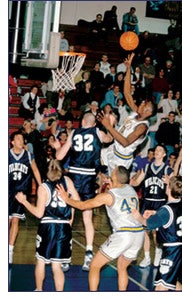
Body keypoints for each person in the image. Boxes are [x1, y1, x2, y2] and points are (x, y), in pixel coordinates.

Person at [56, 165, 144, 291]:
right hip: (138, 234)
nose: (110, 174)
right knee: (122, 267)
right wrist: (112, 184)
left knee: (95, 266)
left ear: (115, 177)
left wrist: (66, 198)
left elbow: (82, 205)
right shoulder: (131, 189)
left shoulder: (108, 196)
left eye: (112, 173)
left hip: (124, 234)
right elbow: (121, 187)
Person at [53, 112, 113, 271]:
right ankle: (88, 255)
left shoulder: (73, 133)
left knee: (69, 218)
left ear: (81, 122)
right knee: (87, 218)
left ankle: (65, 256)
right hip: (88, 180)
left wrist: (58, 147)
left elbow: (59, 156)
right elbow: (111, 138)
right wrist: (110, 124)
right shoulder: (98, 133)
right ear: (94, 124)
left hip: (73, 178)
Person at [15, 159, 80, 291]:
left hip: (48, 226)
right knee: (57, 266)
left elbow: (39, 214)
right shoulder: (67, 181)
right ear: (61, 170)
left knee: (41, 261)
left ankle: (39, 290)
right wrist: (71, 217)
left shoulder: (43, 187)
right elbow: (77, 201)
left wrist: (24, 202)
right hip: (63, 226)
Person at [98, 53, 157, 176]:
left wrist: (108, 126)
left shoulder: (142, 127)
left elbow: (125, 142)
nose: (140, 103)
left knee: (113, 186)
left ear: (148, 112)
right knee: (98, 174)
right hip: (112, 149)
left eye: (144, 105)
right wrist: (128, 68)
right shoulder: (136, 112)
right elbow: (126, 93)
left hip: (121, 159)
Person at [132, 175, 182, 291]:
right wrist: (155, 212)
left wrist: (138, 216)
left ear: (168, 189)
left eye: (167, 185)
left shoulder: (165, 210)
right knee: (172, 282)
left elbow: (148, 224)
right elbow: (170, 214)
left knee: (160, 287)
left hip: (172, 251)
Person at [130, 144, 173, 268]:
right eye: (156, 150)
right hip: (147, 201)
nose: (157, 152)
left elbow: (175, 185)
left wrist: (169, 182)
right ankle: (147, 257)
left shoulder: (167, 169)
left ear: (164, 154)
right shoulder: (147, 166)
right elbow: (137, 182)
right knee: (145, 230)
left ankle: (158, 253)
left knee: (156, 232)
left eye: (160, 150)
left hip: (160, 202)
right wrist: (128, 181)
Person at [9, 131, 42, 264]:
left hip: (20, 193)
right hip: (7, 192)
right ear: (12, 142)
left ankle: (10, 250)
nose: (21, 141)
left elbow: (35, 170)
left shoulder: (28, 155)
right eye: (18, 139)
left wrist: (41, 186)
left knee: (15, 220)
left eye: (22, 139)